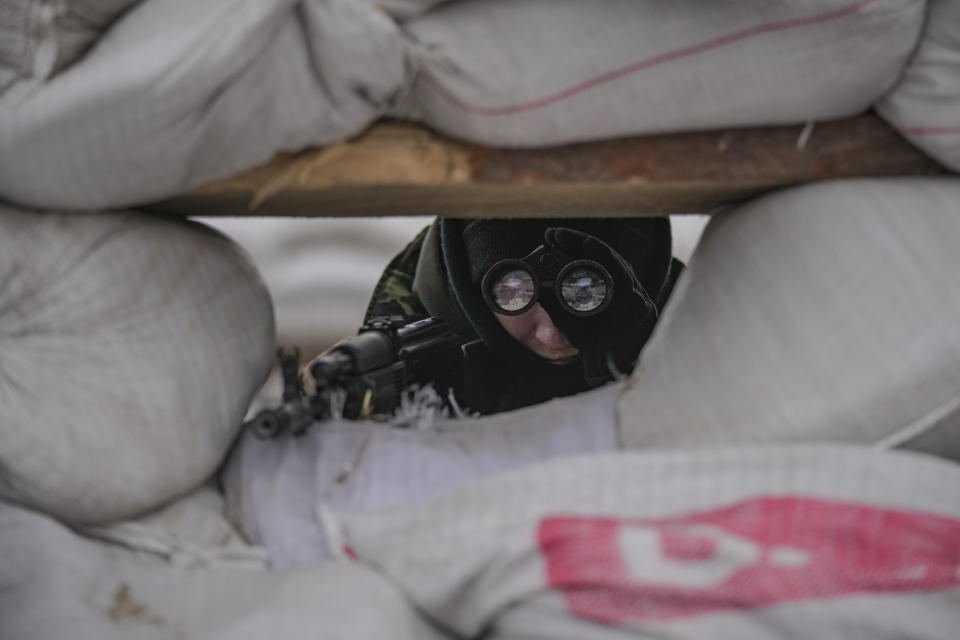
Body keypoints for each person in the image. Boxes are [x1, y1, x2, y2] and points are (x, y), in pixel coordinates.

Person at [359, 216, 684, 416]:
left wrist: (647, 378)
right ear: (464, 292)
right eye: (513, 293)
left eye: (585, 292)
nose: (552, 336)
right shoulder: (403, 367)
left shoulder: (708, 334)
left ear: (646, 284)